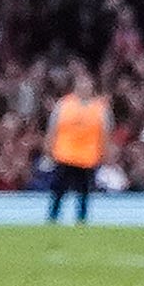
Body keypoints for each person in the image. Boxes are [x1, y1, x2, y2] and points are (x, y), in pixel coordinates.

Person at [45, 70, 109, 223]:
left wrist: (103, 153)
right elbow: (52, 128)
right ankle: (53, 218)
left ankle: (81, 220)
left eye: (87, 84)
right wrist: (49, 148)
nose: (84, 87)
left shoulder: (100, 108)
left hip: (87, 157)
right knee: (58, 190)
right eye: (81, 84)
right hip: (65, 155)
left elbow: (105, 132)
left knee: (84, 192)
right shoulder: (64, 104)